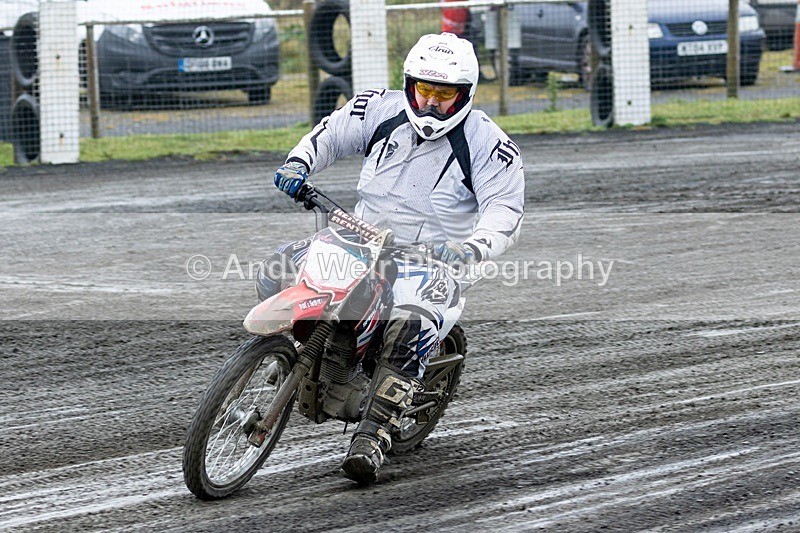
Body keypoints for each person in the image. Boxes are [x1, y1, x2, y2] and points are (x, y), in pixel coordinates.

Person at [259, 32, 525, 484]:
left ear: (466, 93)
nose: (431, 104)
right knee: (277, 267)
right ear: (409, 84)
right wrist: (298, 162)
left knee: (411, 322)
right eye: (424, 90)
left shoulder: (489, 144)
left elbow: (505, 211)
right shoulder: (377, 107)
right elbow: (331, 134)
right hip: (359, 238)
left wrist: (471, 247)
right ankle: (292, 355)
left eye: (445, 95)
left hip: (434, 260)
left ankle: (373, 435)